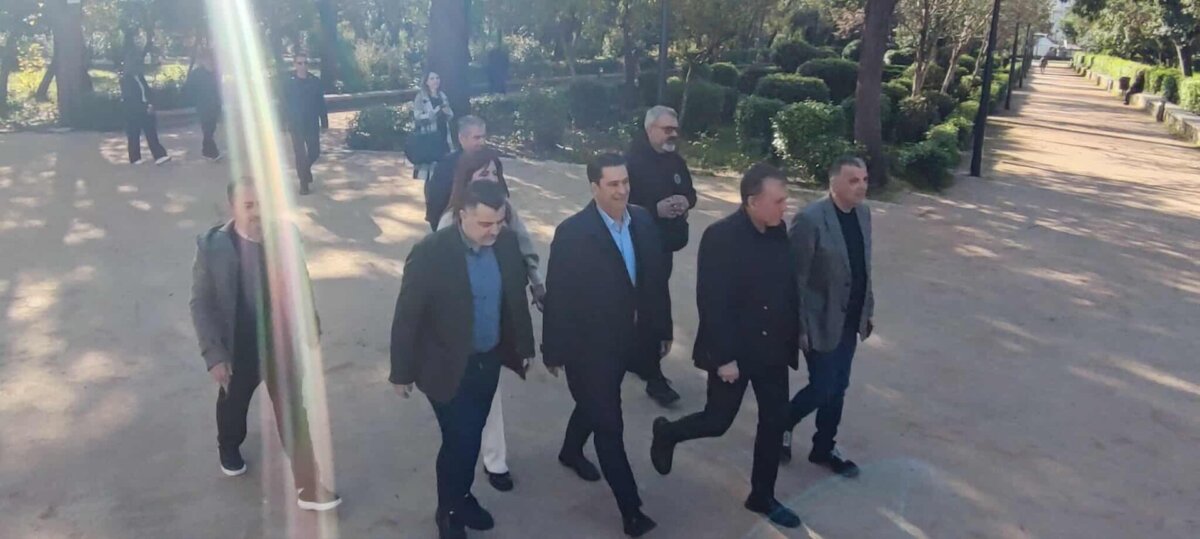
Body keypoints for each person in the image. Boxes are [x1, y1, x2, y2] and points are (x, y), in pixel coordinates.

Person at [649, 163, 802, 529]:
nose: (785, 208)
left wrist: (797, 332)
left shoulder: (779, 232)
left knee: (774, 420)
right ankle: (667, 433)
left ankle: (762, 495)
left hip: (772, 349)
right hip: (736, 351)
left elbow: (785, 289)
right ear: (752, 201)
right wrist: (724, 358)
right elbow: (712, 302)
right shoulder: (721, 237)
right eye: (778, 201)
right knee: (718, 421)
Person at [390, 180, 536, 539]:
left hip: (487, 361)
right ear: (462, 215)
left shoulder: (505, 243)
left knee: (469, 438)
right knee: (460, 441)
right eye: (485, 223)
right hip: (444, 366)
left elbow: (514, 298)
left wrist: (524, 347)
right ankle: (449, 512)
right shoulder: (431, 251)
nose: (494, 231)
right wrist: (401, 372)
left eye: (499, 222)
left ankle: (462, 496)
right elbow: (407, 315)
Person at [189, 181, 341, 511]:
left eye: (262, 204)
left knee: (294, 412)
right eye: (248, 206)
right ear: (232, 208)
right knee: (233, 403)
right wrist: (214, 354)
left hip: (279, 345)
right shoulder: (213, 246)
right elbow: (201, 304)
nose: (257, 212)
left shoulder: (286, 237)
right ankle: (228, 445)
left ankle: (309, 487)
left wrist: (310, 323)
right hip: (237, 347)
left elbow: (300, 282)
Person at [543, 153, 671, 538]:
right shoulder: (573, 234)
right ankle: (631, 511)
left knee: (593, 406)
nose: (622, 190)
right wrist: (554, 350)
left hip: (633, 341)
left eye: (625, 182)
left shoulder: (643, 221)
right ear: (594, 187)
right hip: (589, 348)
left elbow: (655, 282)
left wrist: (662, 330)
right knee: (609, 424)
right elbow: (559, 296)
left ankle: (569, 451)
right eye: (613, 184)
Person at [436, 148, 546, 492]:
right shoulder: (448, 222)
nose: (490, 179)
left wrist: (537, 284)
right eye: (482, 173)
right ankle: (473, 466)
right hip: (461, 330)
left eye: (495, 173)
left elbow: (526, 249)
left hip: (496, 320)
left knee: (490, 393)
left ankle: (494, 460)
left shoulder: (506, 212)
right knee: (466, 404)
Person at [781, 156, 876, 479]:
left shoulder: (863, 214)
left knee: (839, 386)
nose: (861, 186)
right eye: (853, 180)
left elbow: (863, 266)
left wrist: (867, 309)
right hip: (818, 320)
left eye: (864, 179)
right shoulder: (810, 219)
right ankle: (782, 422)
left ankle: (824, 447)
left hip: (850, 317)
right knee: (823, 387)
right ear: (833, 182)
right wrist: (799, 326)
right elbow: (795, 279)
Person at [622, 105, 696, 407]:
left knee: (646, 306)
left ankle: (636, 358)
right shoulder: (629, 163)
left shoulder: (675, 161)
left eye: (675, 129)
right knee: (650, 309)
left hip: (665, 246)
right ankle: (654, 377)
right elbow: (618, 206)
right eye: (667, 129)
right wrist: (654, 210)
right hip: (636, 247)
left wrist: (684, 202)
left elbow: (691, 193)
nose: (673, 134)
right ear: (650, 129)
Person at [425, 116, 488, 230]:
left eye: (483, 137)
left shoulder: (490, 162)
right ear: (462, 138)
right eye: (477, 138)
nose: (482, 142)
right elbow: (436, 201)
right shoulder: (446, 166)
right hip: (454, 226)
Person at [283, 51, 328, 195]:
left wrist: (324, 122)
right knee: (300, 154)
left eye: (305, 63)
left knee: (315, 152)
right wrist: (283, 121)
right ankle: (303, 184)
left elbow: (321, 103)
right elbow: (284, 104)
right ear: (295, 65)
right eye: (299, 63)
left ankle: (305, 170)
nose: (303, 66)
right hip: (296, 123)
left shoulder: (315, 81)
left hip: (311, 122)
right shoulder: (289, 83)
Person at [119, 52, 171, 165]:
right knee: (134, 134)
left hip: (145, 107)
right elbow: (131, 98)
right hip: (133, 111)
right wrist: (144, 107)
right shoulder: (126, 80)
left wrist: (151, 103)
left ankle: (159, 155)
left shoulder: (140, 77)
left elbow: (147, 91)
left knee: (151, 132)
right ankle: (135, 158)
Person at [411, 71, 455, 181]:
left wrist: (448, 112)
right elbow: (417, 117)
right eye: (432, 78)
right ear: (426, 82)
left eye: (437, 78)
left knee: (443, 165)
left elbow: (449, 115)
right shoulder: (421, 97)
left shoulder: (442, 95)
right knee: (429, 170)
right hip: (429, 135)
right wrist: (435, 112)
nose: (435, 81)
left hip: (443, 133)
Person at [185, 48, 223, 161]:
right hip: (203, 104)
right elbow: (189, 88)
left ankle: (206, 151)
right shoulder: (196, 73)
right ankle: (213, 153)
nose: (210, 61)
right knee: (207, 128)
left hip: (215, 104)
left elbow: (219, 88)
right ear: (203, 60)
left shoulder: (215, 72)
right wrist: (194, 100)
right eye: (207, 59)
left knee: (211, 128)